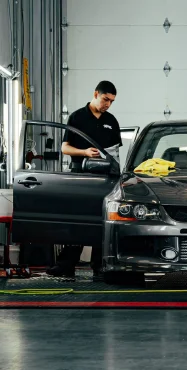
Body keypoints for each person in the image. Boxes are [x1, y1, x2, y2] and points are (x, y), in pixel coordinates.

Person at [46, 80, 122, 278]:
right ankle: (65, 265)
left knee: (101, 221)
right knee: (77, 220)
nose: (108, 104)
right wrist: (84, 152)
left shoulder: (112, 121)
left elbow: (115, 153)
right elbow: (64, 148)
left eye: (112, 102)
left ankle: (99, 266)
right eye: (106, 99)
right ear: (96, 93)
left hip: (104, 177)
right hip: (79, 175)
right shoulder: (77, 117)